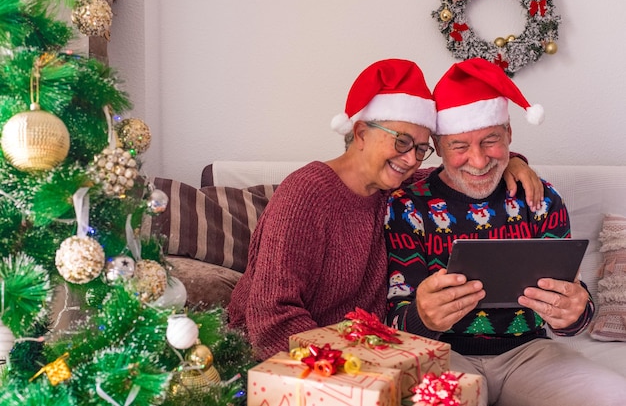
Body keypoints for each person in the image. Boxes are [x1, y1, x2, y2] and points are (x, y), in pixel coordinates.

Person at [227, 58, 542, 361]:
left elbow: (459, 170)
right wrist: (345, 370)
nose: (410, 159)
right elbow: (271, 318)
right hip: (290, 360)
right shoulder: (305, 194)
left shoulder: (395, 189)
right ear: (362, 133)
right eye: (402, 142)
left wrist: (512, 161)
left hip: (361, 357)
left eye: (420, 149)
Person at [385, 57, 626, 406]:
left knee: (614, 396)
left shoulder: (539, 198)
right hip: (441, 355)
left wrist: (575, 313)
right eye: (460, 146)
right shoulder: (406, 206)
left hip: (530, 353)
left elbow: (575, 310)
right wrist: (422, 316)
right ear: (438, 146)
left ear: (510, 134)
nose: (479, 161)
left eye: (491, 141)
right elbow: (393, 316)